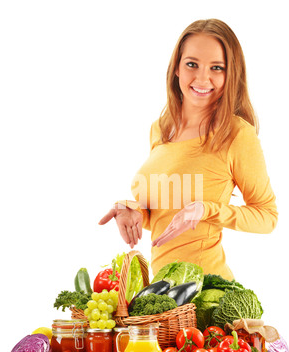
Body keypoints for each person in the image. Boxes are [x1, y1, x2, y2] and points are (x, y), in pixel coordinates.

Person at [99, 19, 278, 281]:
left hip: (207, 292)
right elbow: (167, 214)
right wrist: (134, 210)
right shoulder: (160, 128)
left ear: (231, 75)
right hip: (162, 290)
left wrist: (207, 210)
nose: (202, 78)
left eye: (217, 68)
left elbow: (267, 216)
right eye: (192, 64)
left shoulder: (237, 134)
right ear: (176, 69)